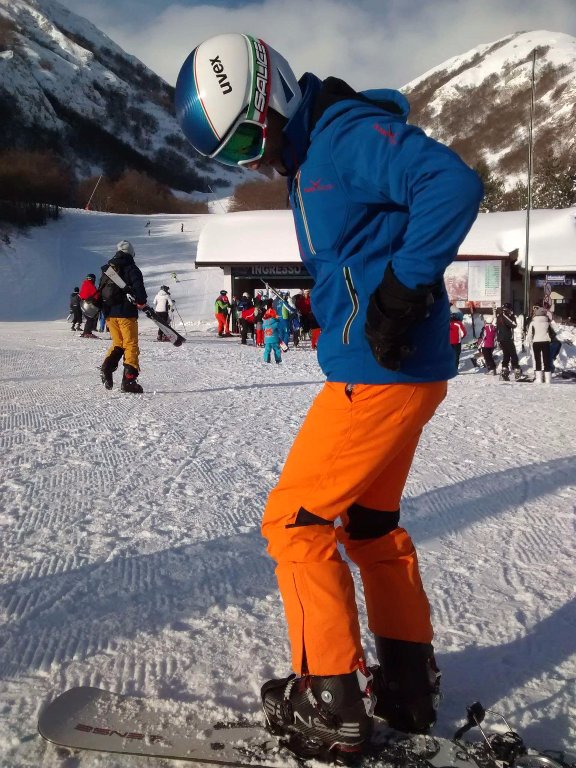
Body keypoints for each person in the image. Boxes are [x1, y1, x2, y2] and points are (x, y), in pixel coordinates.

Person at [175, 33, 483, 756]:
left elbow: (452, 184)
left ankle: (329, 698)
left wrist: (404, 288)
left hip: (379, 375)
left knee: (295, 522)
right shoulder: (311, 154)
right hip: (396, 370)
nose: (250, 160)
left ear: (274, 94)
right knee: (370, 527)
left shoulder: (343, 137)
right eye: (230, 155)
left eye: (247, 138)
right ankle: (406, 685)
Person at [99, 240, 147, 393]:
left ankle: (106, 368)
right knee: (130, 344)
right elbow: (141, 295)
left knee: (118, 343)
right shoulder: (132, 269)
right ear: (131, 253)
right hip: (126, 314)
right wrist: (140, 301)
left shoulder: (109, 269)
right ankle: (129, 381)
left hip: (109, 315)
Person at [526, 307, 552, 384]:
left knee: (537, 360)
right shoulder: (547, 322)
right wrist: (549, 339)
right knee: (546, 360)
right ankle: (548, 380)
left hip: (536, 342)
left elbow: (529, 334)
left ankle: (539, 379)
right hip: (546, 342)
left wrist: (530, 342)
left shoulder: (533, 323)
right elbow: (552, 333)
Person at [495, 303, 521, 380]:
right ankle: (516, 369)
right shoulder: (504, 315)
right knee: (513, 354)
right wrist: (512, 317)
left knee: (506, 354)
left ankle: (504, 371)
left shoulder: (500, 315)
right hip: (506, 338)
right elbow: (513, 324)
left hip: (502, 338)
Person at [78, 273, 100, 338]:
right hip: (89, 305)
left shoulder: (84, 284)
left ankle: (86, 332)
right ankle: (87, 333)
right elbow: (96, 295)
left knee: (89, 319)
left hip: (83, 304)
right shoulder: (91, 285)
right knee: (90, 319)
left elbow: (81, 294)